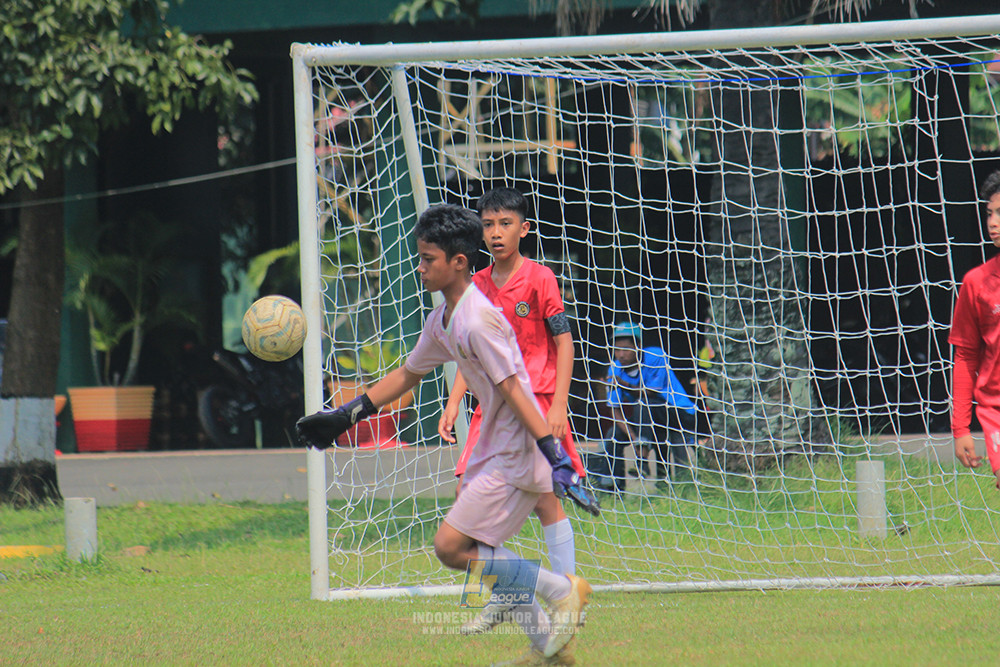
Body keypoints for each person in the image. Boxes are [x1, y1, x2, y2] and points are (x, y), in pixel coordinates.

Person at [296, 204, 598, 666]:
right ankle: (550, 653)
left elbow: (515, 388)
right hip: (496, 445)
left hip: (517, 448)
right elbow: (408, 374)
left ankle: (563, 589)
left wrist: (551, 450)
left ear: (459, 262)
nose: (420, 267)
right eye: (419, 257)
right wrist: (345, 415)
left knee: (451, 547)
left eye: (428, 259)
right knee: (483, 549)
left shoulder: (478, 320)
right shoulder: (444, 318)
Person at [438, 188, 584, 596]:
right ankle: (507, 593)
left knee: (545, 500)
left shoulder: (541, 278)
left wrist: (558, 406)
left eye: (505, 224)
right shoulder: (476, 286)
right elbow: (472, 352)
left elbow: (565, 343)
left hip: (534, 403)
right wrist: (454, 403)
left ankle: (569, 591)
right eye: (488, 225)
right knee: (467, 491)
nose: (496, 233)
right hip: (491, 407)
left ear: (525, 228)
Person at [591, 322, 698, 492]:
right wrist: (633, 437)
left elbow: (650, 393)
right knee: (613, 435)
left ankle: (642, 461)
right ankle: (611, 487)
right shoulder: (615, 369)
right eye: (617, 350)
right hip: (646, 419)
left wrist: (624, 385)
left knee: (643, 404)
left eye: (626, 349)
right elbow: (614, 409)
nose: (621, 355)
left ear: (638, 346)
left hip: (677, 412)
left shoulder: (655, 356)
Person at [952, 169, 1000, 489]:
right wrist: (960, 429)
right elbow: (966, 356)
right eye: (990, 213)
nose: (993, 222)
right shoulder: (976, 284)